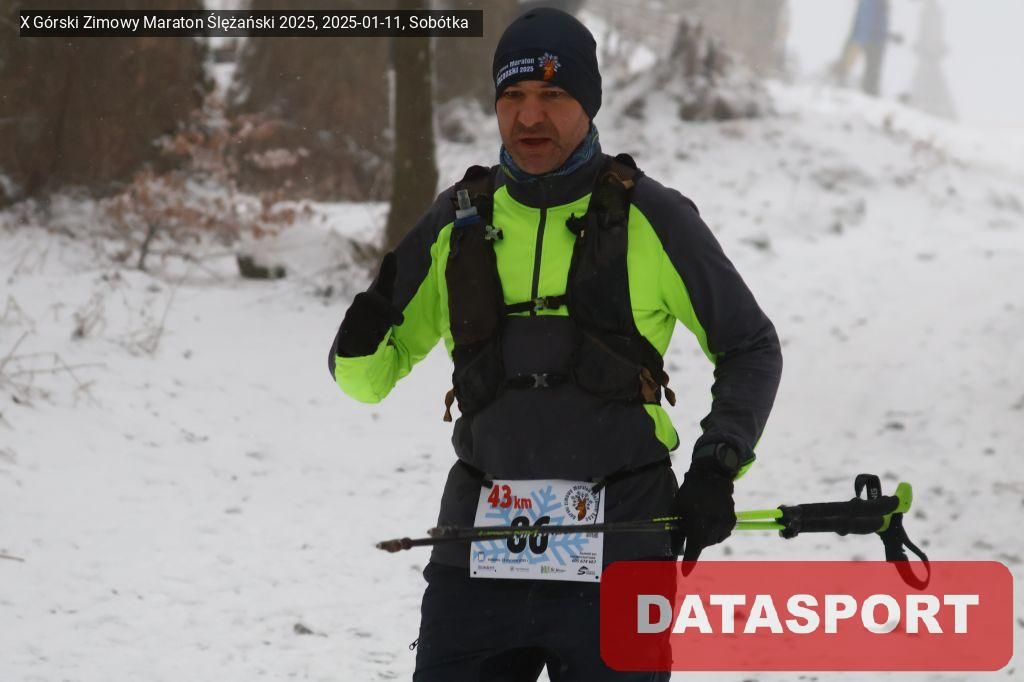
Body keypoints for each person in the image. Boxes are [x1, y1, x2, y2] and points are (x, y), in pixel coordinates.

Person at [329, 8, 782, 680]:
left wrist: (716, 466)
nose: (529, 116)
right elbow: (365, 380)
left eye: (553, 95)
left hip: (622, 540)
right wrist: (362, 330)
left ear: (589, 104)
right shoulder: (457, 223)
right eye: (512, 95)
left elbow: (750, 346)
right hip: (479, 546)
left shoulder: (651, 217)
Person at [833, 0, 891, 96]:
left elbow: (866, 20)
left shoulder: (871, 3)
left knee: (871, 72)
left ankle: (868, 91)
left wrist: (858, 40)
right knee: (872, 72)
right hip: (873, 38)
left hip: (871, 38)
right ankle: (869, 91)